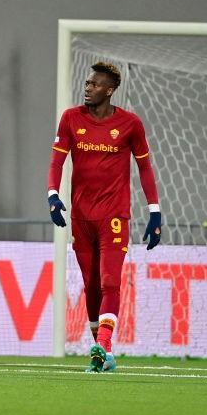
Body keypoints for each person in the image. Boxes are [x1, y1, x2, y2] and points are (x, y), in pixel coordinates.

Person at [47, 61, 162, 373]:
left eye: (95, 85)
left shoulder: (130, 124)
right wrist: (53, 194)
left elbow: (145, 168)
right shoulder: (71, 118)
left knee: (111, 281)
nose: (88, 88)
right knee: (91, 285)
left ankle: (105, 345)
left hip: (113, 216)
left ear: (109, 90)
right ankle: (103, 354)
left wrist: (155, 211)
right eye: (87, 84)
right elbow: (57, 161)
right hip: (81, 218)